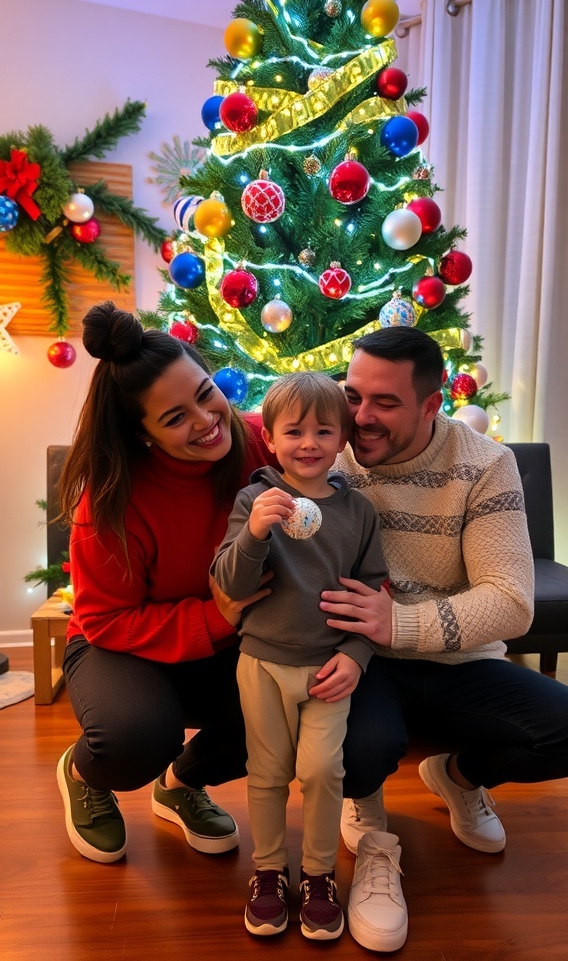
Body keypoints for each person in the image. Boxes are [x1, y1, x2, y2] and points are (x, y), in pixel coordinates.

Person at [316, 326, 568, 953]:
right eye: (353, 395)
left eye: (385, 402)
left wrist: (400, 622)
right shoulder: (331, 456)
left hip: (458, 660)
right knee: (358, 750)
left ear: (432, 404)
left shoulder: (484, 464)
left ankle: (458, 775)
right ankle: (367, 810)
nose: (360, 417)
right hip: (365, 660)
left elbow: (511, 602)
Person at [56, 300, 275, 864]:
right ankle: (84, 773)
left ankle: (179, 786)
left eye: (206, 394)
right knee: (135, 739)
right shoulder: (110, 503)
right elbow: (104, 618)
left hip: (224, 639)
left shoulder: (258, 442)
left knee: (286, 708)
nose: (206, 421)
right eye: (175, 418)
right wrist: (217, 616)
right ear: (143, 435)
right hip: (116, 643)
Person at [211, 372, 388, 941]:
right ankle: (267, 871)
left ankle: (318, 875)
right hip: (261, 663)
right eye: (294, 431)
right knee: (265, 774)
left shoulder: (358, 512)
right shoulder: (254, 499)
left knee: (320, 771)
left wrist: (358, 653)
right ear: (272, 439)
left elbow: (375, 591)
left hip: (329, 670)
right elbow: (231, 583)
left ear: (342, 441)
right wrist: (256, 531)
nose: (308, 442)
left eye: (323, 430)